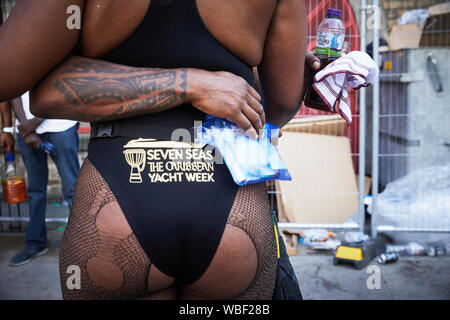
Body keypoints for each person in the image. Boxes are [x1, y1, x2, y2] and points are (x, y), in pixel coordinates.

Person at [0, 0, 317, 299]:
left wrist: (183, 83)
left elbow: (16, 77)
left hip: (115, 195)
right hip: (232, 203)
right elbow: (280, 105)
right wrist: (194, 83)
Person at [0, 92, 80, 266]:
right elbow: (14, 92)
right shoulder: (16, 65)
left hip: (61, 125)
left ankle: (83, 245)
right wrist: (25, 129)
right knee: (35, 190)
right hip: (26, 128)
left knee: (72, 188)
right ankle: (35, 242)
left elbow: (61, 91)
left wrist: (33, 122)